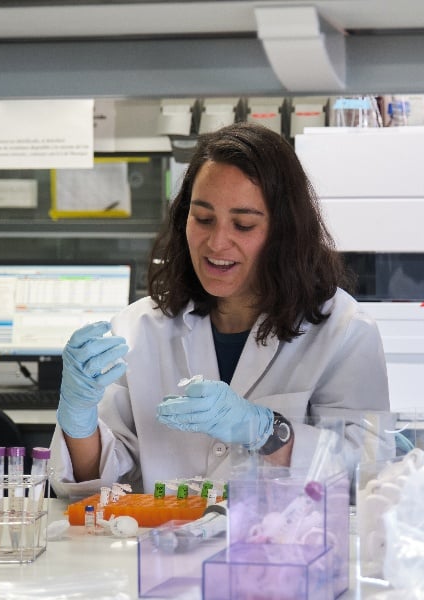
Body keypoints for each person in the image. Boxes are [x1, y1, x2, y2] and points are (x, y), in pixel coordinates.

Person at [49, 123, 391, 498]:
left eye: (243, 224)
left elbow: (367, 473)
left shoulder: (343, 331)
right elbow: (97, 484)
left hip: (283, 548)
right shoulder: (138, 329)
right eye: (203, 218)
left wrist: (266, 432)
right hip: (164, 550)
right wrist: (79, 421)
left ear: (284, 231)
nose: (216, 242)